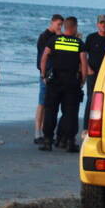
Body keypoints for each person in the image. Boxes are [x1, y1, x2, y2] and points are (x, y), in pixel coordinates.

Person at [38, 16, 88, 153]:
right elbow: (84, 63)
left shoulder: (54, 40)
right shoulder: (79, 43)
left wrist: (43, 75)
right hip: (72, 82)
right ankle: (70, 142)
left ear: (65, 27)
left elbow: (44, 57)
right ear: (75, 27)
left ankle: (48, 141)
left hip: (54, 81)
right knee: (70, 113)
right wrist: (83, 80)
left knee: (51, 112)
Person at [83, 15, 105, 133]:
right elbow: (83, 55)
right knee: (91, 99)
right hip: (93, 74)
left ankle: (104, 126)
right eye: (101, 23)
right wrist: (88, 69)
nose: (103, 25)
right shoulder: (91, 38)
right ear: (97, 24)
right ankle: (86, 127)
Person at [35, 14, 63, 144]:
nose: (60, 27)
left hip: (56, 73)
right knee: (42, 103)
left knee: (50, 104)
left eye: (61, 25)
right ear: (52, 23)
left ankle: (46, 131)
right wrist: (43, 74)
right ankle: (37, 131)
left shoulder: (58, 37)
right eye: (58, 24)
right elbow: (43, 57)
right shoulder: (44, 37)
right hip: (46, 73)